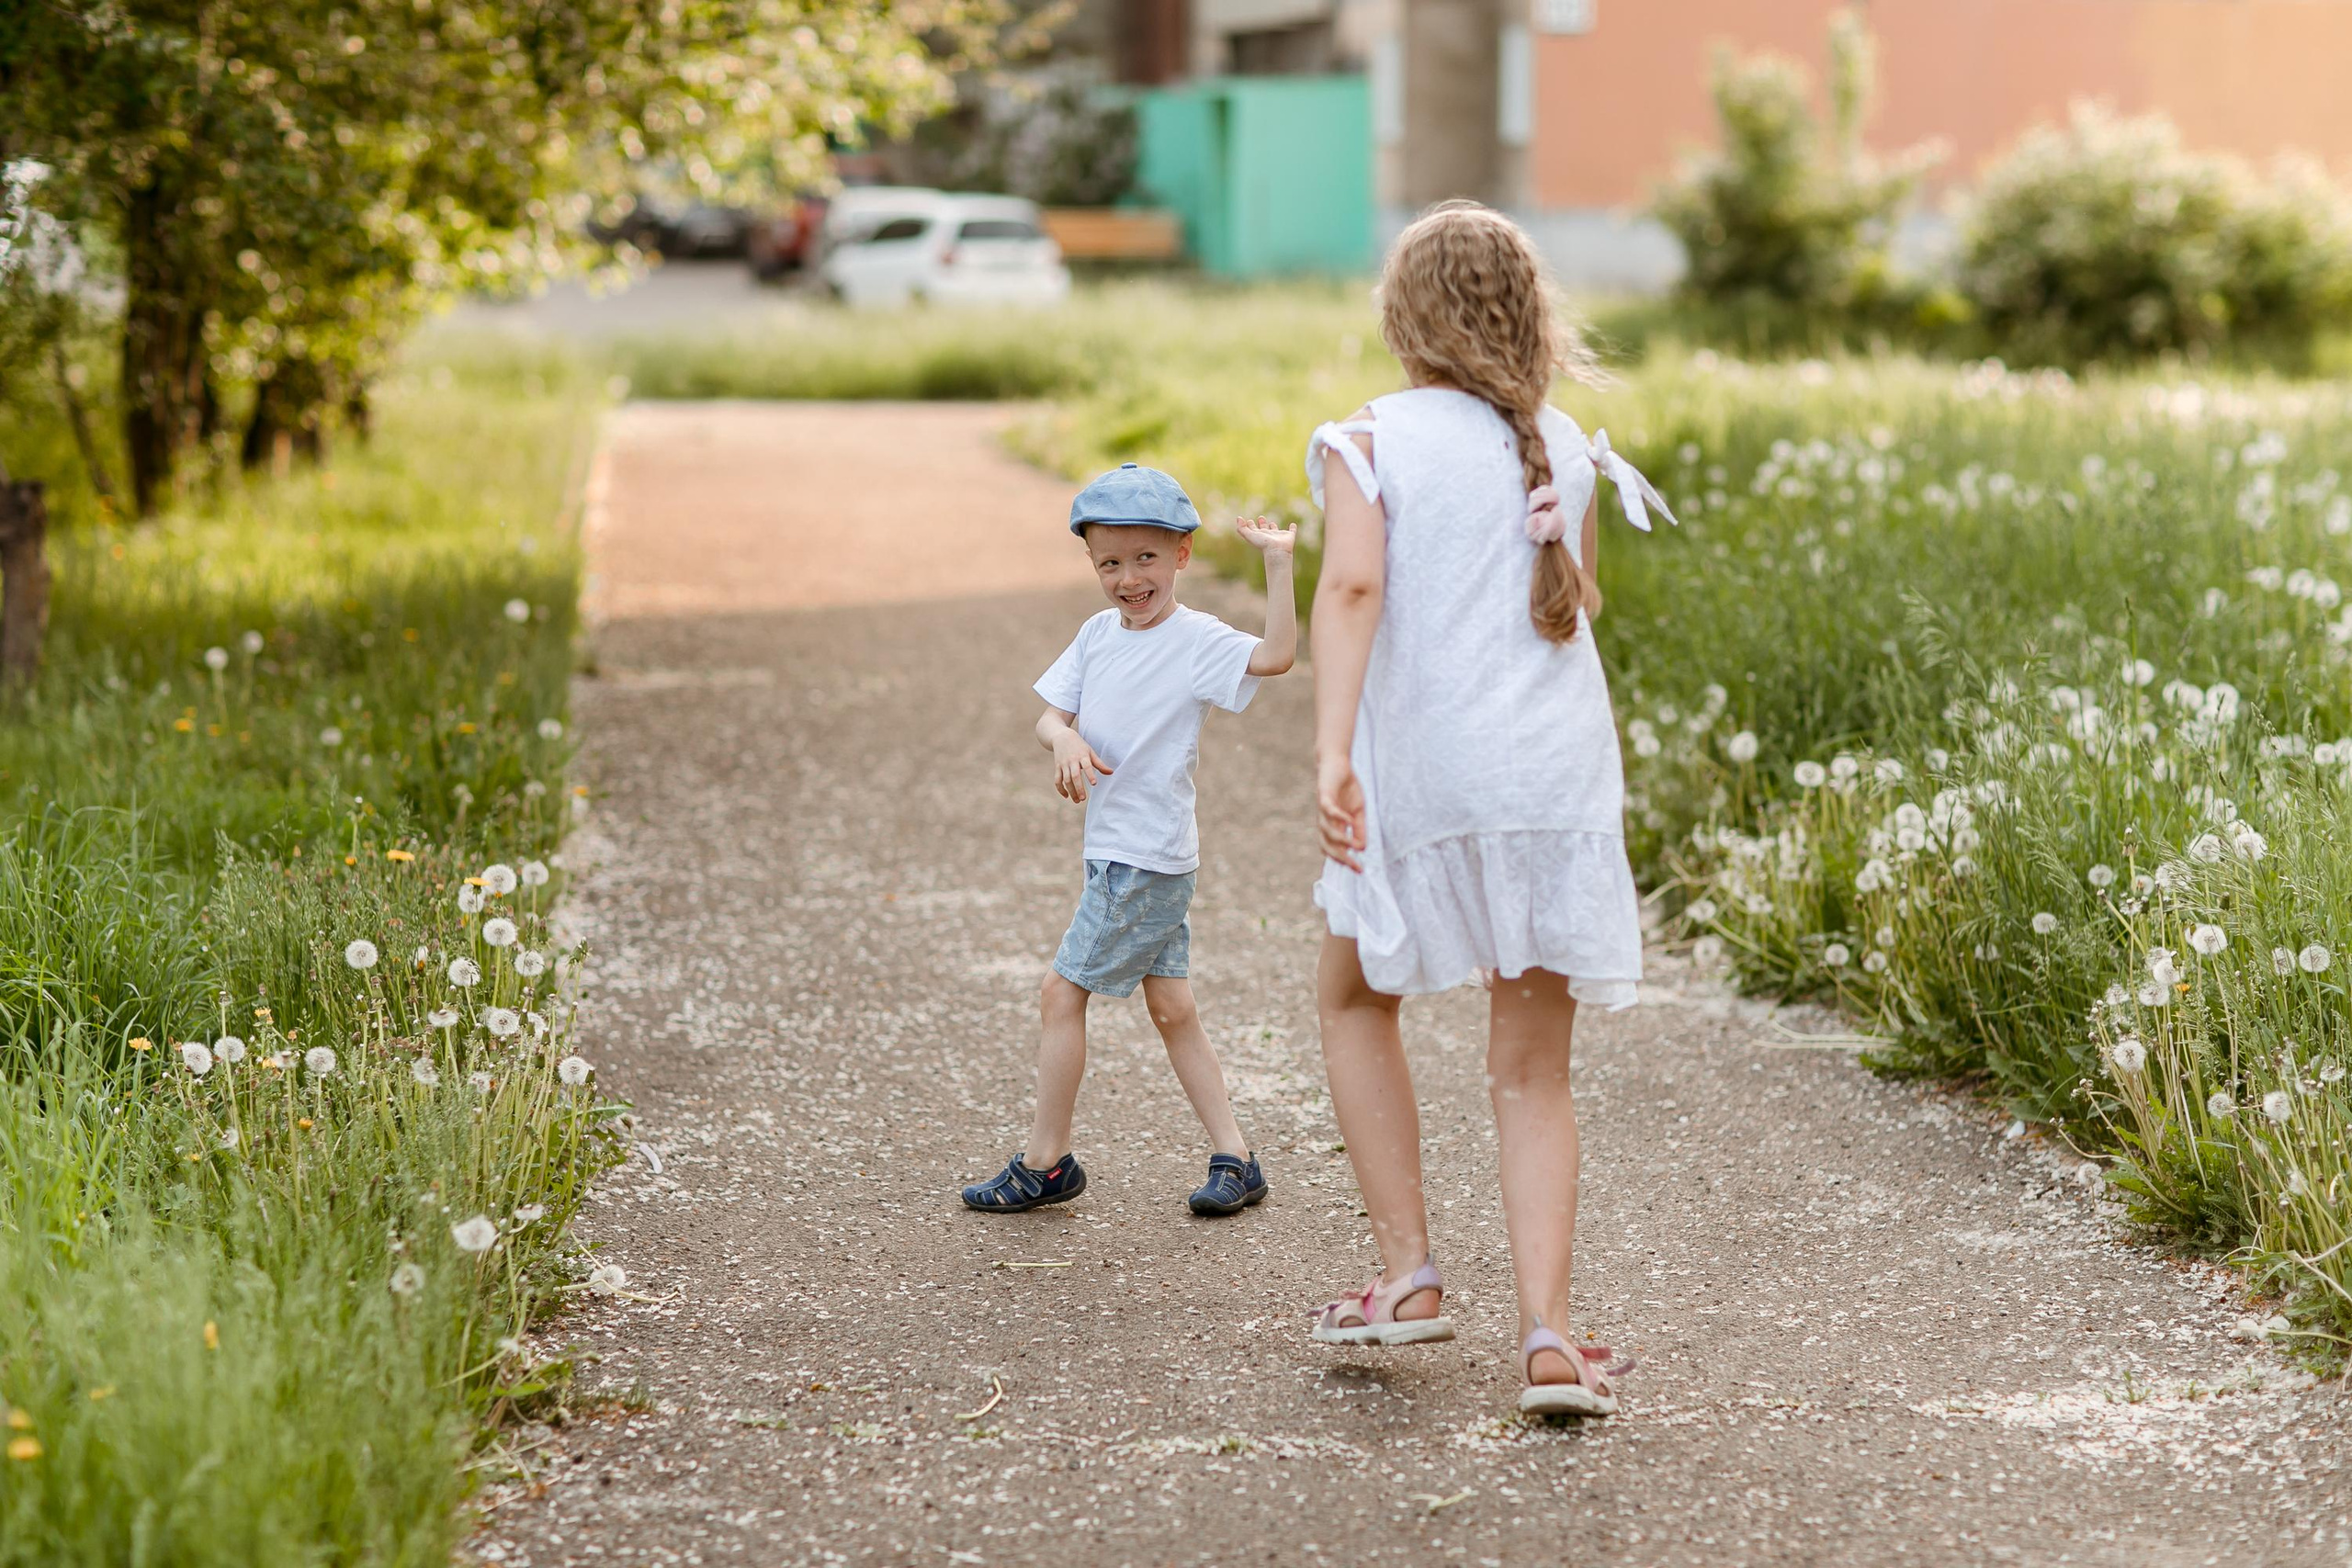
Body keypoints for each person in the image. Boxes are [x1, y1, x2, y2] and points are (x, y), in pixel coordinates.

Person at [1302, 201, 1674, 1416]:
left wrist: (1330, 752)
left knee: (1356, 992)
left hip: (1432, 773)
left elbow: (1353, 584)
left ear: (1403, 321)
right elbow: (1579, 600)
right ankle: (1552, 1337)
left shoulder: (1368, 439)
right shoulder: (1559, 442)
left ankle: (1409, 1274)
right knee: (1531, 1069)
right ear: (1530, 315)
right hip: (1556, 783)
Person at [961, 462, 1298, 1218]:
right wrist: (1063, 739)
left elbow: (1275, 657)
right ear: (1091, 564)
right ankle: (1236, 1158)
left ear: (1181, 554)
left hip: (1144, 858)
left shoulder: (1196, 640)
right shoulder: (1095, 634)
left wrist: (1278, 562)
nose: (1128, 577)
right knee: (1173, 1008)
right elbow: (1049, 712)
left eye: (1146, 557)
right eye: (1109, 561)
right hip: (1127, 854)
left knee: (1060, 993)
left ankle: (1045, 1162)